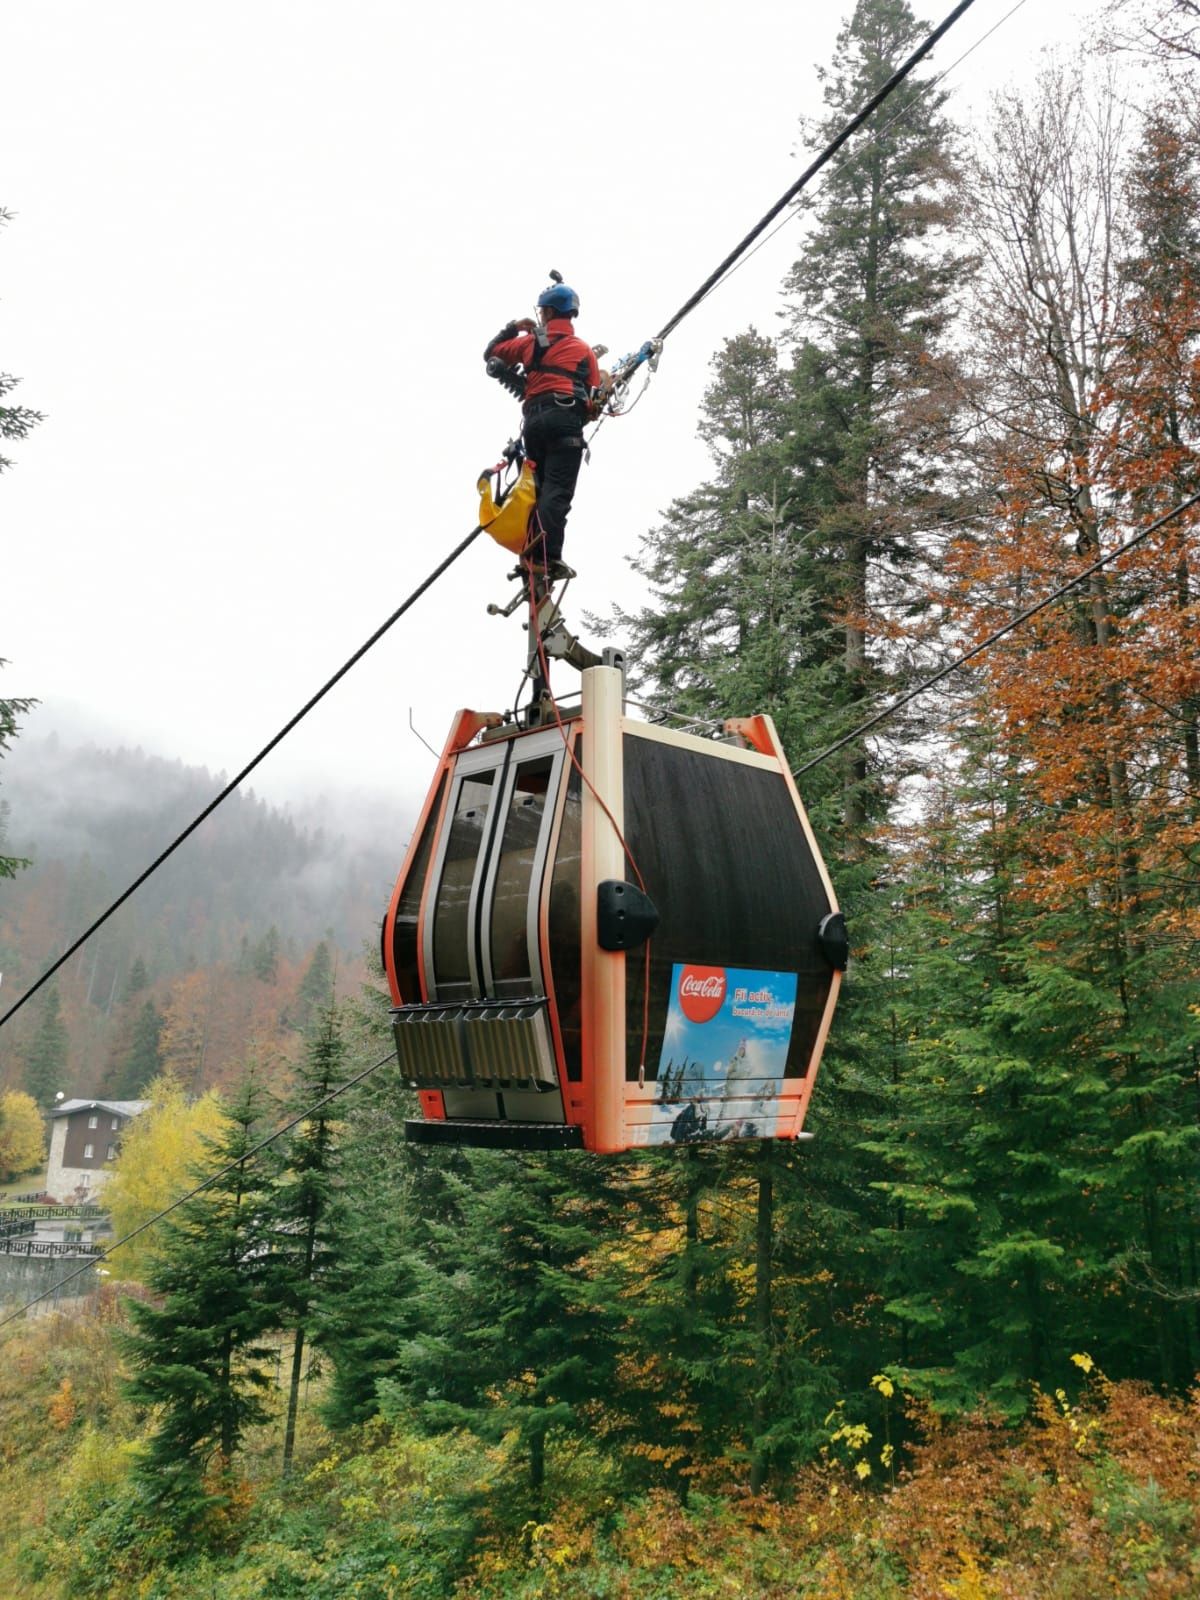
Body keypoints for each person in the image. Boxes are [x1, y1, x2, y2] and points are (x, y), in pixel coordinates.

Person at [484, 279, 604, 581]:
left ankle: (532, 552)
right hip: (564, 420)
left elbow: (492, 353)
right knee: (557, 491)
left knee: (537, 489)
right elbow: (592, 391)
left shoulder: (528, 343)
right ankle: (545, 558)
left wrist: (514, 327)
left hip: (534, 423)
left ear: (548, 312)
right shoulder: (583, 350)